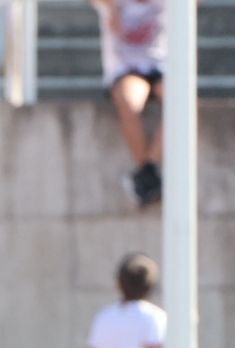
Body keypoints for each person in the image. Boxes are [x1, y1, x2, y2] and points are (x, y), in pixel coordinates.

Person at [90, 0, 166, 207]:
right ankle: (148, 172)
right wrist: (113, 10)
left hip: (161, 66)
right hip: (126, 68)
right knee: (129, 103)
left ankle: (147, 172)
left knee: (179, 104)